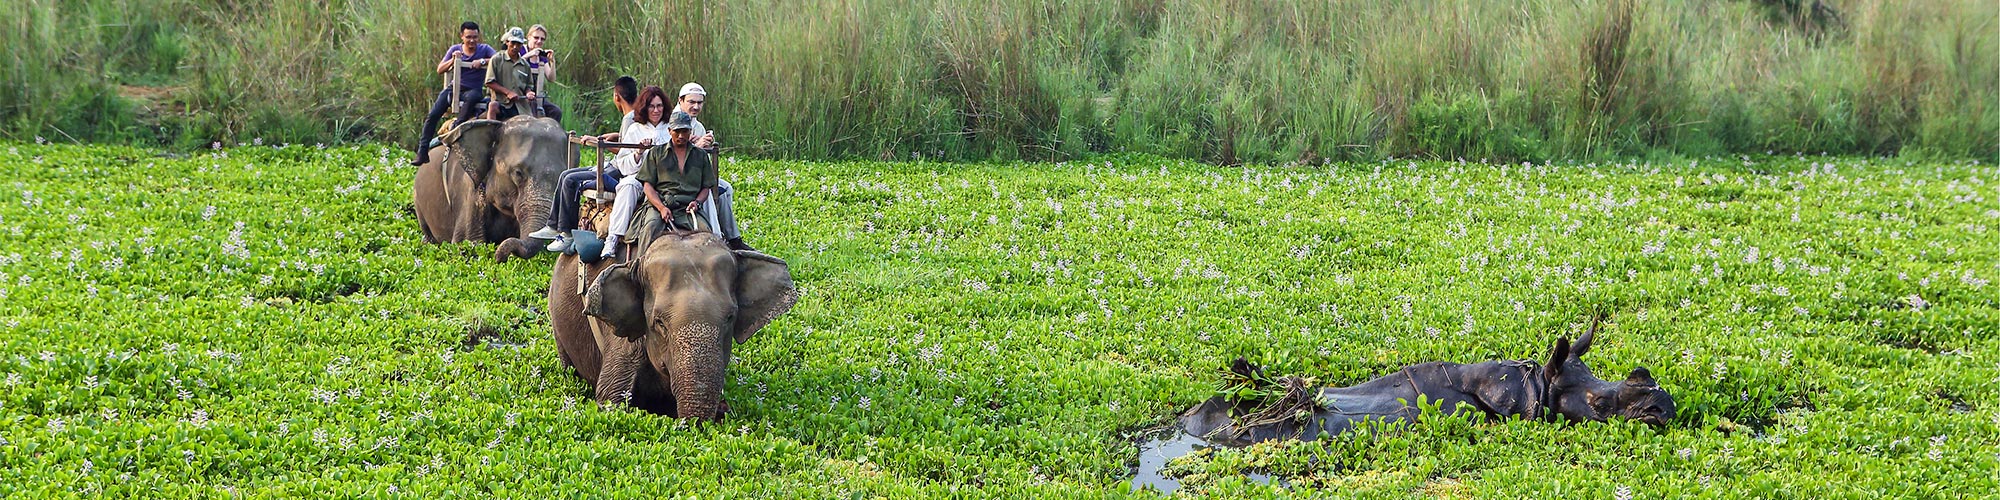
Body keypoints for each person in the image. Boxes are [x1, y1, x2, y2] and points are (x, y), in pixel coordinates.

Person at [531, 86, 672, 253]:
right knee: (565, 175)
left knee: (572, 180)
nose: (656, 110)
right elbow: (624, 162)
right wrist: (638, 152)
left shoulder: (670, 129)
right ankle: (555, 226)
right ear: (644, 107)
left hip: (647, 178)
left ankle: (566, 232)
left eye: (659, 106)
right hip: (630, 173)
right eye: (652, 106)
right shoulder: (635, 128)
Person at [674, 83, 754, 251]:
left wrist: (703, 148)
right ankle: (716, 235)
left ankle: (731, 236)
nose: (696, 106)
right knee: (709, 190)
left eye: (700, 103)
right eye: (691, 102)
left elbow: (700, 163)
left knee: (726, 188)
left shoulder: (698, 126)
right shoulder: (672, 122)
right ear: (680, 101)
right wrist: (697, 148)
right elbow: (671, 155)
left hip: (694, 174)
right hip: (675, 175)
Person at [411, 21, 494, 166]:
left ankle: (457, 126)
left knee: (474, 97)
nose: (472, 40)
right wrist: (453, 60)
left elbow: (498, 59)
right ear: (462, 36)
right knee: (433, 115)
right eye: (468, 37)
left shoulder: (484, 49)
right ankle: (422, 151)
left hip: (473, 90)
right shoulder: (455, 49)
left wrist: (481, 61)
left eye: (475, 37)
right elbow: (440, 69)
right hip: (454, 88)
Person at [636, 111, 719, 240]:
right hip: (661, 204)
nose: (681, 135)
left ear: (690, 131)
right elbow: (648, 186)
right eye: (677, 131)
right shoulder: (656, 153)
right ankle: (640, 260)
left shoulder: (700, 155)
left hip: (688, 208)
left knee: (707, 234)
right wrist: (661, 208)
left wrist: (697, 202)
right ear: (669, 131)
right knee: (649, 229)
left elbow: (706, 187)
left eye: (685, 131)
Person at [483, 27, 540, 121]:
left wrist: (529, 93)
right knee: (493, 106)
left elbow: (528, 85)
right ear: (507, 42)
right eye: (513, 43)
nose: (515, 47)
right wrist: (508, 92)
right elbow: (489, 82)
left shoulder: (525, 65)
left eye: (518, 44)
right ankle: (490, 130)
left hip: (520, 105)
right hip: (501, 102)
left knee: (535, 116)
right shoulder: (496, 59)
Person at [522, 25, 563, 122]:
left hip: (537, 95)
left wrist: (552, 62)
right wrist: (530, 54)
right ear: (528, 37)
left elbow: (551, 78)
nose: (539, 41)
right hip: (521, 93)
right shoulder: (521, 50)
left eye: (542, 39)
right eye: (536, 38)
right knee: (533, 108)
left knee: (556, 111)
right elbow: (513, 65)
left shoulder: (541, 56)